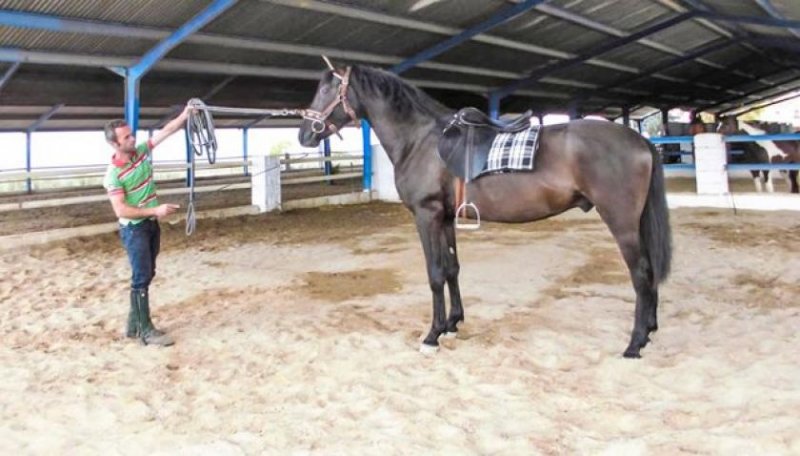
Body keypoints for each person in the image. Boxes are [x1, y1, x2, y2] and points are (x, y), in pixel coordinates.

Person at [103, 107, 191, 346]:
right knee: (141, 276)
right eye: (126, 137)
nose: (132, 139)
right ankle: (145, 330)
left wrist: (184, 115)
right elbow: (120, 210)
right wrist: (155, 210)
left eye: (131, 135)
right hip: (135, 229)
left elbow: (167, 131)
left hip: (150, 225)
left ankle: (134, 325)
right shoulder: (113, 175)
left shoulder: (141, 151)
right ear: (114, 144)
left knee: (148, 272)